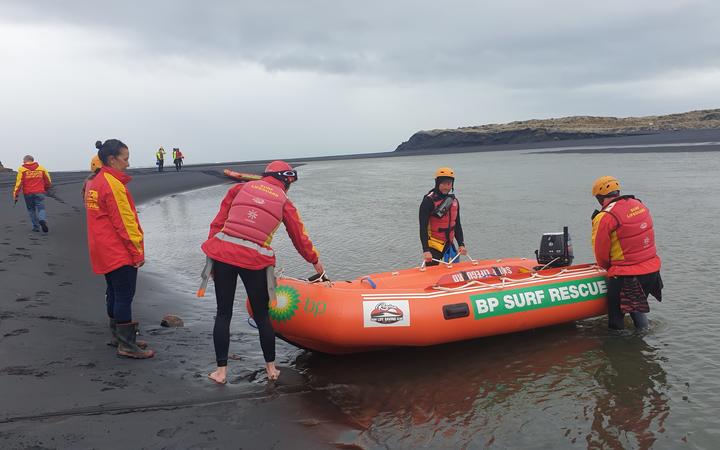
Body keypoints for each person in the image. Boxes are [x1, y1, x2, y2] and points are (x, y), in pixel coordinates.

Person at [201, 160, 324, 383]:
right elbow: (299, 237)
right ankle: (271, 369)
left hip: (222, 255)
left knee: (223, 314)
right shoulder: (285, 202)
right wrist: (314, 261)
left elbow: (217, 224)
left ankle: (220, 373)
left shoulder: (238, 188)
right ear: (286, 180)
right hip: (254, 260)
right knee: (262, 316)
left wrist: (211, 259)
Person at [85, 139, 154, 359]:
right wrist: (137, 251)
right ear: (112, 159)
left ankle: (118, 336)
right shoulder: (111, 184)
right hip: (116, 249)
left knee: (113, 292)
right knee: (124, 295)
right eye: (125, 159)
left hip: (101, 247)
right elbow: (125, 222)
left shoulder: (94, 181)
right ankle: (126, 344)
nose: (128, 163)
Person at [591, 176, 662, 330]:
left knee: (616, 320)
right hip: (652, 271)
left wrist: (608, 268)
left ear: (599, 197)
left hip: (627, 275)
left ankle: (618, 350)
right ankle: (643, 345)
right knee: (637, 308)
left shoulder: (605, 217)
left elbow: (600, 252)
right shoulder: (639, 204)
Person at [419, 167, 466, 266]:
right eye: (443, 183)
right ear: (437, 183)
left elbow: (457, 224)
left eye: (449, 184)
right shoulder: (428, 201)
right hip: (433, 247)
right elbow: (422, 227)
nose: (446, 187)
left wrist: (461, 244)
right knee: (432, 275)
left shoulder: (454, 201)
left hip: (449, 246)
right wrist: (426, 250)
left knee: (452, 273)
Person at [12, 155, 52, 233]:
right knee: (41, 208)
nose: (23, 162)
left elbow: (19, 183)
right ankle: (42, 220)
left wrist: (15, 194)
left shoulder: (22, 169)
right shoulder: (41, 168)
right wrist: (46, 188)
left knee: (31, 210)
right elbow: (48, 180)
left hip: (28, 193)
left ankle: (36, 227)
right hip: (39, 192)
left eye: (23, 161)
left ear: (26, 160)